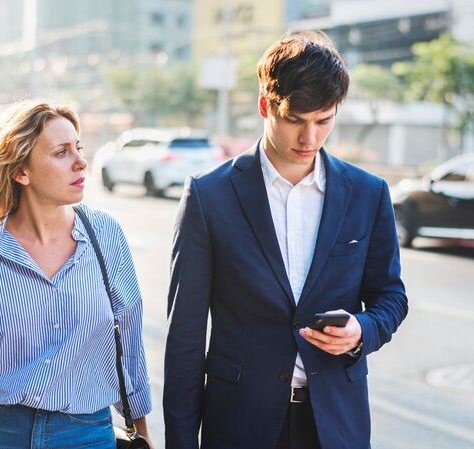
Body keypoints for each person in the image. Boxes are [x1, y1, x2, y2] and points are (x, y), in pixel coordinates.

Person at [163, 31, 408, 449]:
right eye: (295, 119)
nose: (309, 138)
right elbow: (184, 338)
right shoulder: (209, 196)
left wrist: (362, 330)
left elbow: (391, 296)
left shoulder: (368, 193)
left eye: (323, 121)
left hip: (335, 425)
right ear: (265, 106)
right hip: (240, 425)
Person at [0, 100, 153, 449]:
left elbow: (130, 341)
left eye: (79, 147)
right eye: (61, 152)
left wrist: (142, 431)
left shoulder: (105, 234)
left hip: (88, 435)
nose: (81, 161)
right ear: (21, 172)